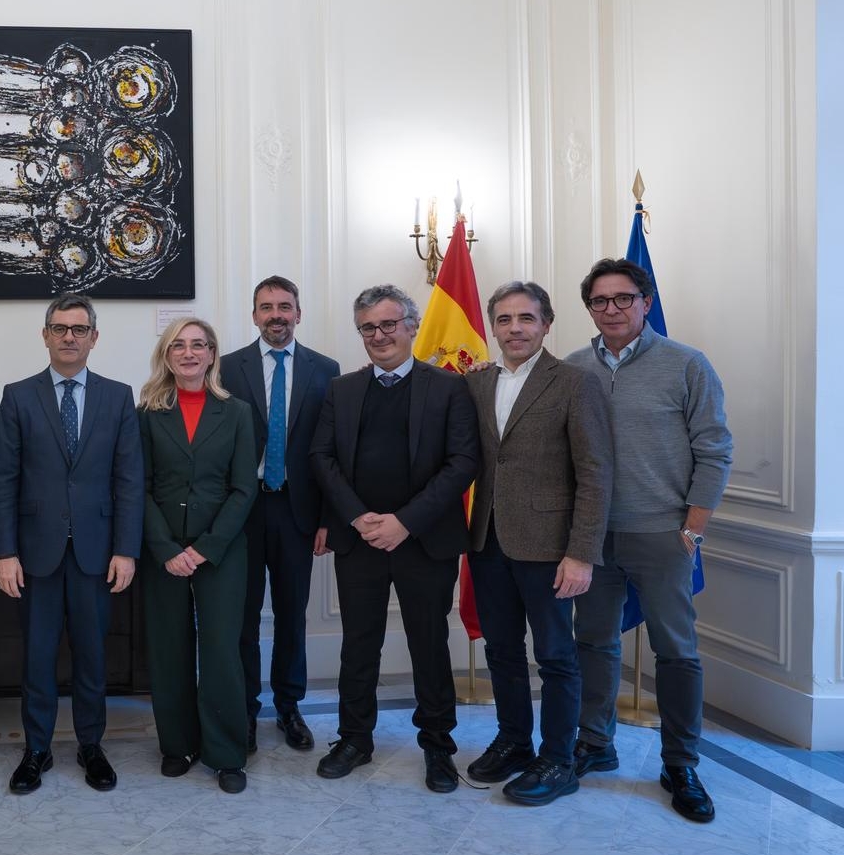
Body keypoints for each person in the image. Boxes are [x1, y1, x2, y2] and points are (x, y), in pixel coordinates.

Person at [566, 258, 732, 823]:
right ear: (588, 307)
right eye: (599, 301)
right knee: (593, 642)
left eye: (623, 298)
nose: (611, 309)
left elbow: (714, 450)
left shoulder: (687, 365)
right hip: (590, 535)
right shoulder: (571, 369)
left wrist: (692, 529)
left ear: (646, 301)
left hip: (664, 534)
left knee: (676, 652)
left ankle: (680, 763)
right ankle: (594, 742)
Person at [309, 284, 479, 793]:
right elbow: (321, 458)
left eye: (388, 325)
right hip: (359, 539)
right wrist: (359, 517)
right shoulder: (342, 389)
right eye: (368, 327)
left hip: (424, 540)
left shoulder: (450, 388)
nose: (379, 336)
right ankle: (354, 738)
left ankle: (438, 746)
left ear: (411, 326)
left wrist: (405, 521)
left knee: (429, 644)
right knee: (359, 643)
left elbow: (463, 463)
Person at [462, 281, 613, 806]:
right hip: (487, 540)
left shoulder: (575, 383)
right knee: (502, 650)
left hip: (551, 547)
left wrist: (581, 553)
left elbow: (595, 473)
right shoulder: (477, 383)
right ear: (492, 327)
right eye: (504, 320)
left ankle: (557, 758)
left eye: (526, 318)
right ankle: (513, 742)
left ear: (546, 324)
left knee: (555, 656)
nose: (515, 329)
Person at [0, 294, 143, 794]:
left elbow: (128, 479)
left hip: (98, 553)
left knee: (92, 655)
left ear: (94, 337)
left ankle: (90, 745)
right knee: (36, 655)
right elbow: (4, 480)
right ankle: (37, 750)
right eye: (60, 328)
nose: (69, 337)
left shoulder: (119, 397)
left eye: (79, 329)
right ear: (46, 335)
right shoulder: (17, 395)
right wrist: (4, 551)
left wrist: (126, 548)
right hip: (34, 553)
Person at [218, 275, 340, 753]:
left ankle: (289, 707)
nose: (276, 315)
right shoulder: (227, 368)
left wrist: (328, 516)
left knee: (292, 616)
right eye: (266, 307)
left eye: (285, 306)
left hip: (298, 511)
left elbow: (333, 450)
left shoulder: (326, 369)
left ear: (298, 313)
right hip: (241, 512)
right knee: (243, 618)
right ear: (254, 315)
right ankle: (246, 709)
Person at [138, 317, 258, 794]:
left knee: (221, 650)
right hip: (162, 551)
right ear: (167, 356)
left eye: (198, 345)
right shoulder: (146, 412)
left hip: (222, 550)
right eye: (178, 346)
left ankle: (226, 754)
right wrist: (167, 549)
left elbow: (244, 488)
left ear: (212, 355)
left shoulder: (238, 413)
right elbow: (139, 487)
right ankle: (178, 746)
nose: (188, 354)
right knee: (169, 650)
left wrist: (205, 548)